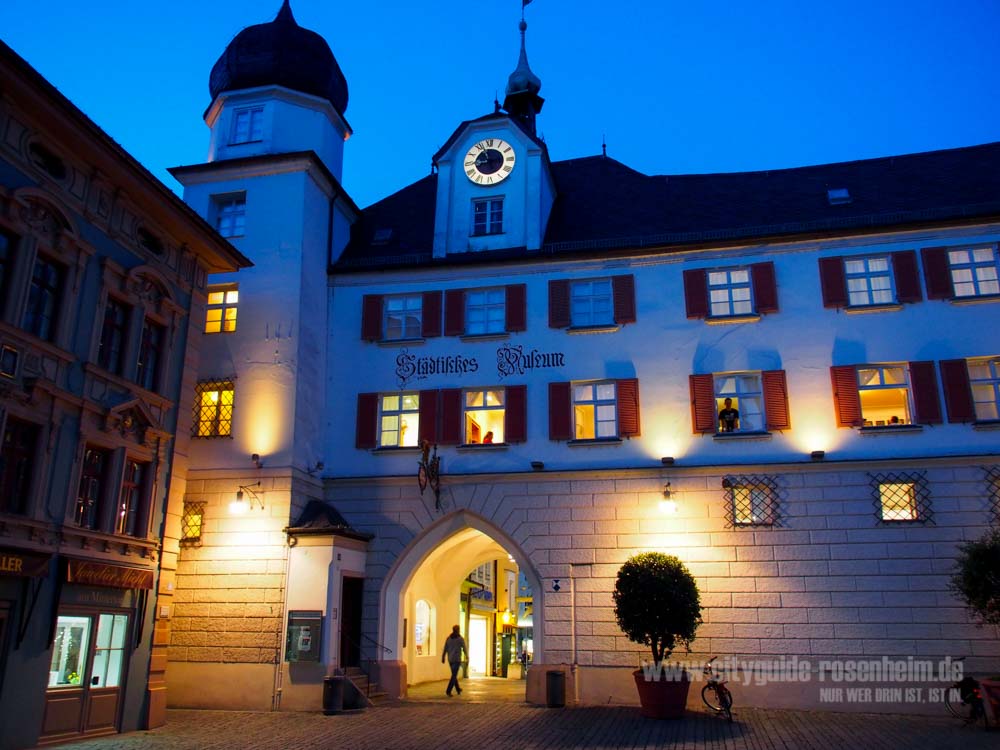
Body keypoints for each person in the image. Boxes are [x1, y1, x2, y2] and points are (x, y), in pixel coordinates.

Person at [442, 624, 467, 696]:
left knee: (454, 674)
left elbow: (445, 648)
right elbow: (464, 648)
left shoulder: (448, 638)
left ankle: (458, 689)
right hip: (456, 659)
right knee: (454, 675)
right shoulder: (460, 639)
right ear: (458, 630)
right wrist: (467, 655)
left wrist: (443, 657)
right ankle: (448, 690)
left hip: (450, 659)